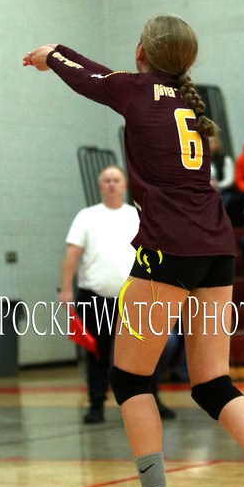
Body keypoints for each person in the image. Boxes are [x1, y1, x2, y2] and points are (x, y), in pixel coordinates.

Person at [24, 15, 244, 487]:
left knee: (129, 377)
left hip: (168, 250)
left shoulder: (135, 90)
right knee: (213, 383)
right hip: (217, 248)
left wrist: (52, 53)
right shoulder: (188, 102)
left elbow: (86, 77)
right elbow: (96, 73)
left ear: (141, 51)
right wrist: (58, 52)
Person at [58, 165, 175, 423]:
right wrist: (66, 289)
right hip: (94, 297)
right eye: (107, 180)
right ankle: (96, 405)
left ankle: (152, 400)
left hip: (135, 298)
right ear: (101, 186)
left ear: (124, 185)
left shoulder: (137, 216)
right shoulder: (86, 216)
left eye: (116, 180)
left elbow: (153, 255)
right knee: (97, 354)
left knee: (145, 352)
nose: (112, 184)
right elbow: (72, 254)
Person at [208, 131, 235, 209]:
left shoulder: (226, 160)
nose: (209, 145)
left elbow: (229, 180)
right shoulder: (199, 162)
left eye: (211, 142)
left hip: (223, 192)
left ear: (217, 143)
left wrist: (218, 185)